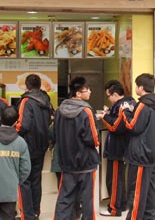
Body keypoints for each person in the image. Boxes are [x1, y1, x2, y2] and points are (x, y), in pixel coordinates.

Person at [53, 76, 99, 220]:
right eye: (87, 89)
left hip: (66, 162)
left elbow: (54, 134)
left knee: (65, 198)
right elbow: (93, 138)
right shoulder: (86, 111)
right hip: (86, 163)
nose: (90, 92)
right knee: (87, 199)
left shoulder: (59, 110)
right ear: (78, 93)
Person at [122, 73, 155, 220]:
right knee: (149, 194)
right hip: (152, 156)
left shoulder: (143, 105)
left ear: (141, 87)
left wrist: (125, 111)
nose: (135, 88)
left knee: (136, 194)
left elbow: (132, 126)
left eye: (136, 85)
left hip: (140, 156)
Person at [15, 73, 54, 219]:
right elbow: (50, 120)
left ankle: (27, 214)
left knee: (24, 180)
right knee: (36, 180)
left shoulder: (26, 101)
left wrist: (12, 132)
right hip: (41, 145)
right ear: (39, 85)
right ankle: (36, 211)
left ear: (26, 86)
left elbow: (23, 125)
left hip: (27, 145)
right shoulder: (46, 100)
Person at [98, 79, 136, 217]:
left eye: (108, 96)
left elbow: (116, 127)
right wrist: (109, 114)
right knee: (119, 179)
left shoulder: (121, 106)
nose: (108, 99)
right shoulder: (129, 103)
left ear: (114, 94)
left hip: (117, 148)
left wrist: (104, 117)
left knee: (114, 180)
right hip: (124, 147)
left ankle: (114, 208)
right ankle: (122, 203)